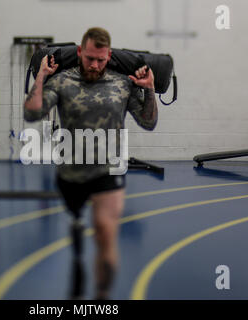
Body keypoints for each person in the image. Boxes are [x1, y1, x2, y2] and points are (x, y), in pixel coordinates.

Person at [23, 27, 158, 300]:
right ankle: (76, 233)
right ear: (80, 52)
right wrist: (41, 76)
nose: (94, 65)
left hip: (108, 170)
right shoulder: (61, 81)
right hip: (70, 171)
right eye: (89, 59)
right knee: (77, 221)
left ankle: (101, 297)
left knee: (105, 233)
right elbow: (33, 113)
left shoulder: (123, 83)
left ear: (108, 56)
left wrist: (150, 89)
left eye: (100, 59)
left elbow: (148, 122)